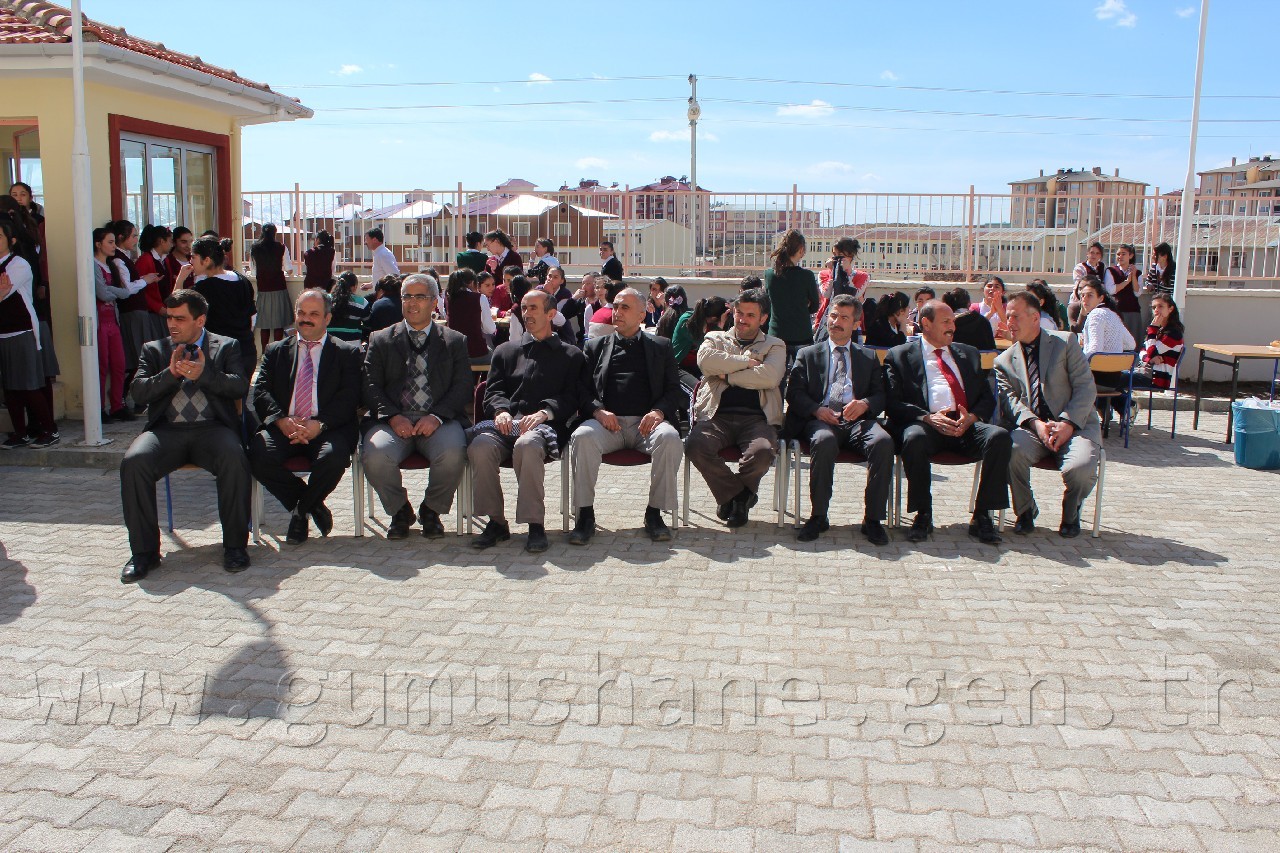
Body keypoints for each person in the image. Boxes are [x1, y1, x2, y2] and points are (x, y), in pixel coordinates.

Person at [118, 289, 252, 581]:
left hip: (213, 430)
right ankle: (144, 554)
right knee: (134, 461)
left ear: (200, 320)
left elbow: (240, 386)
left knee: (234, 456)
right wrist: (171, 374)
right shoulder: (154, 349)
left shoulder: (225, 346)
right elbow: (138, 391)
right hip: (166, 432)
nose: (172, 325)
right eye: (169, 318)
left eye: (180, 318)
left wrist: (204, 375)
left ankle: (235, 547)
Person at [468, 290, 586, 553]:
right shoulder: (505, 351)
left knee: (528, 445)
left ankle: (535, 524)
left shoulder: (571, 355)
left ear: (551, 314)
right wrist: (500, 410)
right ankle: (496, 522)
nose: (527, 314)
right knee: (480, 447)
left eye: (533, 308)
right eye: (524, 308)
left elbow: (573, 398)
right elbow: (493, 391)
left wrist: (546, 412)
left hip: (544, 429)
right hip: (504, 427)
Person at [884, 300, 1011, 545]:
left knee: (999, 437)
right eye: (946, 322)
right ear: (926, 324)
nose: (952, 326)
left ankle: (983, 515)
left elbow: (987, 397)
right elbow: (892, 402)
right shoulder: (900, 355)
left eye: (953, 321)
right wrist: (927, 417)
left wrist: (972, 417)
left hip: (965, 425)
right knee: (913, 438)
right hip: (927, 424)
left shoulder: (968, 353)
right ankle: (923, 513)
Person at [568, 287, 684, 545]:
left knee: (670, 438)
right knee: (582, 436)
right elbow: (581, 390)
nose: (616, 312)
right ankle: (584, 516)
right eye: (615, 306)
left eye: (624, 308)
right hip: (607, 426)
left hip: (647, 425)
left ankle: (655, 514)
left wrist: (658, 411)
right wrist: (597, 412)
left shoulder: (661, 347)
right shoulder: (595, 347)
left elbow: (674, 390)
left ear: (642, 314)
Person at [361, 274, 472, 540]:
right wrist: (392, 417)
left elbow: (463, 386)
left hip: (438, 420)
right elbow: (369, 385)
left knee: (454, 452)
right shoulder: (381, 339)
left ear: (434, 302)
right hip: (392, 420)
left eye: (420, 297)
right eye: (407, 296)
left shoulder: (454, 341)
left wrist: (436, 416)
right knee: (375, 455)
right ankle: (400, 510)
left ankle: (431, 510)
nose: (412, 303)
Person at [249, 290, 363, 543]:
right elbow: (261, 391)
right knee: (258, 455)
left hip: (329, 427)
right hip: (284, 426)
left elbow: (350, 397)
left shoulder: (346, 353)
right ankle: (312, 504)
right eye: (301, 313)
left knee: (333, 459)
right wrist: (281, 421)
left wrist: (319, 424)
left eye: (314, 314)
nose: (306, 319)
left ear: (328, 318)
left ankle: (300, 513)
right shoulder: (275, 350)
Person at [785, 295, 894, 545]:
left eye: (844, 317)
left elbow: (880, 395)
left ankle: (873, 520)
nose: (836, 322)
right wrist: (816, 410)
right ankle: (818, 516)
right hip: (821, 419)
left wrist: (865, 404)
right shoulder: (808, 354)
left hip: (857, 421)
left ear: (856, 323)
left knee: (883, 442)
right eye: (833, 316)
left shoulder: (867, 357)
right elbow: (794, 393)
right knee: (822, 441)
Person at [996, 291, 1101, 539]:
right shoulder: (1004, 361)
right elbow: (1011, 403)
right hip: (1034, 429)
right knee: (1009, 450)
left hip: (1076, 426)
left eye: (1015, 316)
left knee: (1082, 467)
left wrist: (1067, 423)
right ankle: (1024, 510)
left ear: (1035, 318)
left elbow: (1086, 388)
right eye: (1007, 316)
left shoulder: (1065, 343)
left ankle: (1071, 511)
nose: (1008, 322)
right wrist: (1036, 425)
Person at [686, 289, 786, 528]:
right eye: (739, 313)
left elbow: (769, 377)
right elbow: (706, 362)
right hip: (715, 415)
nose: (742, 319)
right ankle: (737, 496)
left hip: (757, 419)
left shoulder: (775, 345)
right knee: (695, 445)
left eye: (750, 315)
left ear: (763, 318)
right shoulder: (715, 338)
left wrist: (726, 376)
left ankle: (734, 498)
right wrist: (746, 363)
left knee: (762, 453)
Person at [0, 220, 57, 448]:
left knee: (29, 385)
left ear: (11, 241)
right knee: (10, 388)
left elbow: (4, 293)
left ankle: (49, 430)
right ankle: (20, 433)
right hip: (2, 333)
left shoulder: (19, 264)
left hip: (21, 330)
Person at [176, 237, 258, 378]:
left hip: (220, 356)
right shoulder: (242, 280)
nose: (191, 262)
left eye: (194, 257)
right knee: (239, 397)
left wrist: (180, 279)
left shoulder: (205, 288)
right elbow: (252, 317)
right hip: (246, 350)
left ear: (206, 260)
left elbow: (176, 307)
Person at [93, 226, 143, 423]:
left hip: (113, 320)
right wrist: (117, 291)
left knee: (119, 364)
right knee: (101, 366)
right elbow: (104, 293)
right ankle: (98, 408)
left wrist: (113, 291)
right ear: (98, 244)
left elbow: (119, 292)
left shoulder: (111, 265)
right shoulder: (93, 266)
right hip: (99, 321)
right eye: (110, 242)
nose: (114, 246)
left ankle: (116, 405)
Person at [109, 219, 164, 379]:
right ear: (122, 237)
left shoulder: (123, 257)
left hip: (135, 312)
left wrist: (144, 279)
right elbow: (126, 288)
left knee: (140, 356)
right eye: (133, 236)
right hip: (131, 312)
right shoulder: (119, 259)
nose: (135, 240)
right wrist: (144, 281)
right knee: (138, 357)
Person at [1077, 276, 1136, 426]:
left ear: (1101, 297)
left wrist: (1077, 358)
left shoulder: (1095, 315)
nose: (1085, 299)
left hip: (1097, 379)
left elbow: (1094, 350)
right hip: (1114, 379)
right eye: (1082, 295)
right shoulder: (1113, 315)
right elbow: (1131, 343)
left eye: (1090, 295)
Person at [763, 229, 821, 370]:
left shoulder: (770, 275)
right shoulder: (806, 276)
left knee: (776, 381)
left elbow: (768, 303)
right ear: (801, 250)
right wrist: (802, 307)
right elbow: (814, 306)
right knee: (802, 379)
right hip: (801, 334)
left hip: (776, 334)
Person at [251, 224, 291, 349]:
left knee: (265, 324)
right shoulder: (281, 247)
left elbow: (253, 271)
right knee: (278, 324)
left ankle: (264, 353)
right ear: (275, 233)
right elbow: (289, 269)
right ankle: (277, 352)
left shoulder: (255, 248)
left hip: (263, 289)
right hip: (279, 287)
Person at [670, 295, 728, 378]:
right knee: (700, 386)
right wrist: (720, 326)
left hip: (699, 365)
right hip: (680, 366)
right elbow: (707, 347)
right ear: (714, 318)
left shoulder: (710, 324)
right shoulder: (687, 321)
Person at [444, 268, 493, 365]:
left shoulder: (448, 298)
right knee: (495, 358)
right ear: (471, 282)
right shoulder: (479, 298)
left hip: (454, 354)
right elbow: (490, 329)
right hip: (476, 353)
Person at [133, 224, 174, 341]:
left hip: (164, 310)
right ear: (161, 241)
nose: (172, 244)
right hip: (152, 313)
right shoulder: (145, 260)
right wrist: (157, 307)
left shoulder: (165, 260)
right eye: (170, 241)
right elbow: (140, 289)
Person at [1140, 293, 1185, 391]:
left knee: (1115, 381)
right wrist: (1149, 359)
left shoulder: (1174, 333)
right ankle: (1128, 403)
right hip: (1148, 372)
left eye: (1160, 306)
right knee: (1114, 380)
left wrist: (1153, 328)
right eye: (1154, 307)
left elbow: (1151, 351)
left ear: (1170, 309)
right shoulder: (1158, 330)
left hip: (1157, 378)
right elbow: (1142, 349)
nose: (1156, 310)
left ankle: (1126, 404)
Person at [1069, 242, 1111, 331]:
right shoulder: (1080, 267)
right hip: (1080, 301)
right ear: (1087, 254)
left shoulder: (1102, 267)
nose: (1094, 255)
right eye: (1092, 252)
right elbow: (1080, 286)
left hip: (1095, 304)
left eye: (1097, 253)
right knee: (1078, 329)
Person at [1108, 243, 1144, 344]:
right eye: (1118, 254)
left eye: (1123, 254)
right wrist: (1126, 282)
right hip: (1117, 310)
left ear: (1130, 256)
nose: (1120, 256)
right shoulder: (1111, 271)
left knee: (1134, 341)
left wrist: (1133, 277)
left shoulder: (1137, 273)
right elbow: (1111, 290)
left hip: (1133, 311)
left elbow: (1138, 293)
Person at [328, 271, 370, 343]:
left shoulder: (325, 299)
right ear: (354, 287)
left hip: (329, 344)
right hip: (353, 345)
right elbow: (368, 323)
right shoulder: (362, 302)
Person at [483, 229, 523, 300]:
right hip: (495, 300)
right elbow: (485, 280)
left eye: (487, 245)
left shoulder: (514, 257)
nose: (488, 249)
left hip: (511, 299)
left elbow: (517, 281)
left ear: (496, 241)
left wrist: (496, 269)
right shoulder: (491, 260)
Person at [365, 227, 399, 291]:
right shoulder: (379, 254)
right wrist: (371, 284)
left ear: (375, 240)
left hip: (385, 295)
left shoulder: (383, 255)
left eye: (367, 239)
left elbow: (394, 275)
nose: (365, 242)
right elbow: (381, 275)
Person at [977, 276, 1010, 340]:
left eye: (996, 287)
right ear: (983, 290)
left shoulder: (1009, 308)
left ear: (1003, 292)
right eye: (989, 286)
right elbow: (976, 327)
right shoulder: (975, 307)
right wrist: (991, 312)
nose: (992, 289)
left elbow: (1010, 327)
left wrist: (1000, 309)